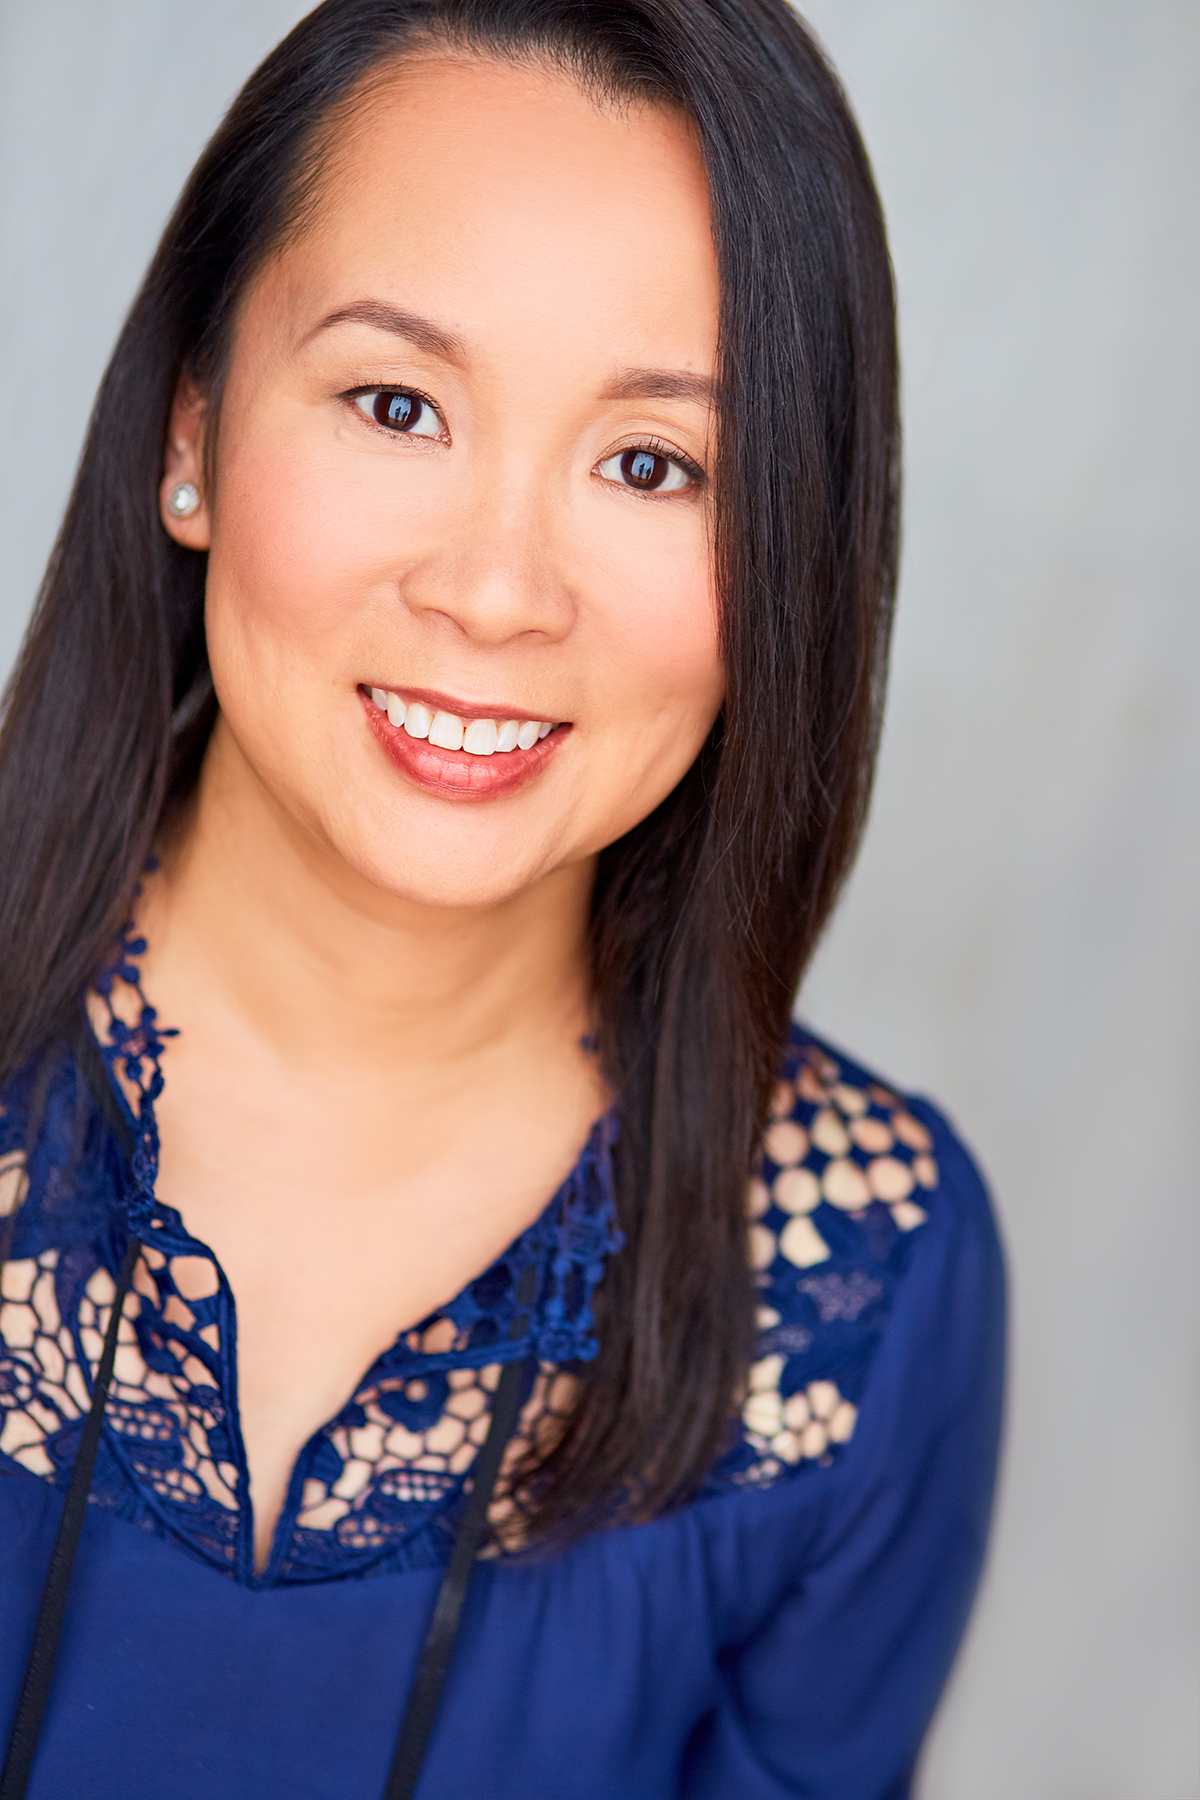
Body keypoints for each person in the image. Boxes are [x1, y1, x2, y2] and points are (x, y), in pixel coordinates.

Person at [0, 2, 1005, 1795]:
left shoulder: (863, 1293)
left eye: (652, 464)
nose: (495, 589)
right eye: (398, 405)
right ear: (192, 424)